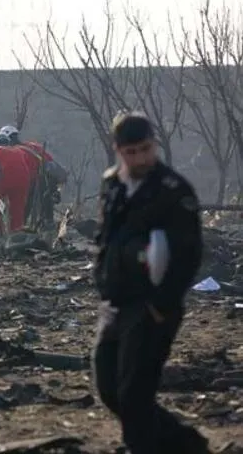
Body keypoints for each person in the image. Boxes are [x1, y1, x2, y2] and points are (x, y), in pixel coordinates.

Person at [93, 112, 210, 454]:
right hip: (115, 301)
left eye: (146, 148)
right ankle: (186, 444)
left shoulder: (172, 190)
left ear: (154, 143)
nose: (141, 158)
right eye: (132, 152)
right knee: (109, 389)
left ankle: (141, 447)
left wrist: (163, 305)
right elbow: (106, 237)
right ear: (118, 151)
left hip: (151, 304)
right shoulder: (112, 184)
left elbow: (188, 255)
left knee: (135, 393)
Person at [0, 126, 67, 228]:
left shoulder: (15, 153)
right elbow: (50, 160)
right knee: (44, 208)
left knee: (25, 208)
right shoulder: (32, 146)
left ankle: (23, 226)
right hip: (47, 181)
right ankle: (46, 224)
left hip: (34, 183)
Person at [0, 132, 35, 234]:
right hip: (24, 181)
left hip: (5, 179)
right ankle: (17, 234)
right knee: (17, 209)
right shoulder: (19, 151)